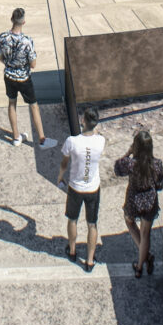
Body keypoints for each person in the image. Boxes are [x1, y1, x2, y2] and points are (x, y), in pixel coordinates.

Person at [112, 129, 163, 277]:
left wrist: (128, 153)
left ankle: (145, 259)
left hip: (134, 201)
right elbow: (160, 185)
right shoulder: (157, 164)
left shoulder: (131, 164)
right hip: (150, 201)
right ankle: (141, 265)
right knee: (145, 234)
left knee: (129, 222)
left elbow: (117, 168)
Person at [59, 110, 105, 272]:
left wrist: (60, 177)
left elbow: (65, 163)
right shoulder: (101, 141)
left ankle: (72, 250)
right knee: (92, 224)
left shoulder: (72, 141)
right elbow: (96, 135)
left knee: (72, 219)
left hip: (76, 187)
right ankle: (90, 260)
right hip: (92, 187)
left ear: (83, 121)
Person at [0, 7, 39, 145]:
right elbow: (33, 64)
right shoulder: (27, 41)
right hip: (24, 78)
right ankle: (42, 138)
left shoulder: (2, 38)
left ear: (11, 19)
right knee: (33, 105)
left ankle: (16, 137)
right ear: (24, 22)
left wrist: (10, 64)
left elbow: (0, 57)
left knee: (12, 103)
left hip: (9, 76)